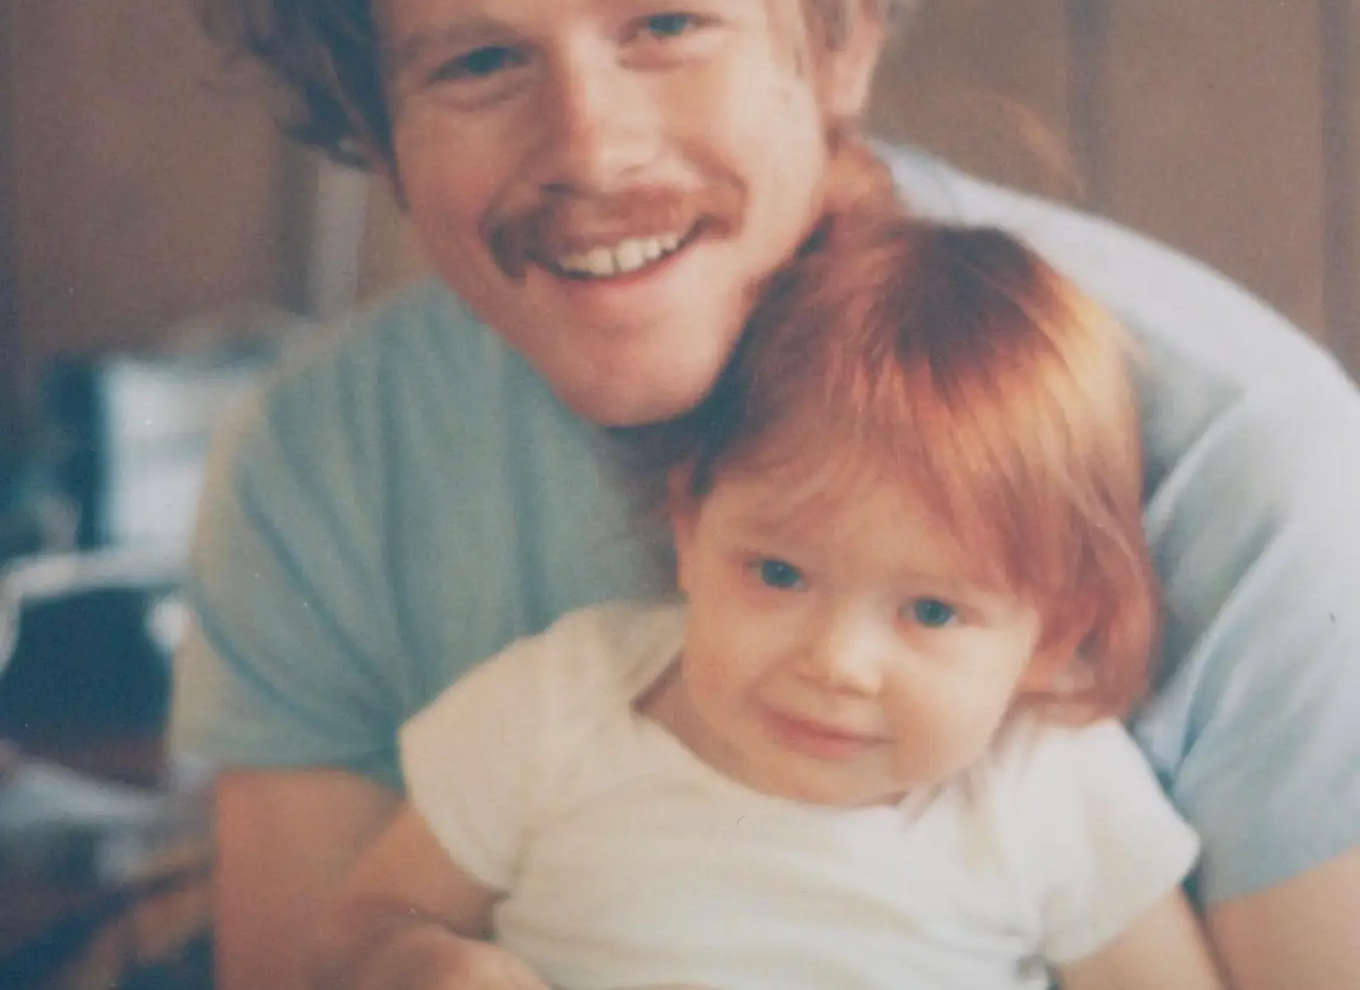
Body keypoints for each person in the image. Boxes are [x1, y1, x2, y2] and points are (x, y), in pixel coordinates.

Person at [171, 0, 1360, 988]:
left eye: (667, 24)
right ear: (377, 130)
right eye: (479, 60)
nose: (591, 148)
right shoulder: (322, 459)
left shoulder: (1248, 451)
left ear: (838, 32)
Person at [309, 195, 1227, 990]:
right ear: (690, 527)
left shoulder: (1046, 782)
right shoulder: (564, 704)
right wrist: (425, 965)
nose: (837, 663)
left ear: (1052, 636)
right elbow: (358, 932)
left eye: (933, 611)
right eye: (779, 574)